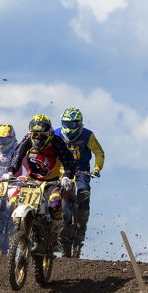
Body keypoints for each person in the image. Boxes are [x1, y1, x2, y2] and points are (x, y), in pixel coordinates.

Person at [6, 114, 78, 246]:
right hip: (31, 181)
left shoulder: (56, 141)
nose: (38, 138)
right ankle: (17, 227)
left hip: (52, 182)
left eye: (42, 135)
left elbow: (69, 161)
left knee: (55, 204)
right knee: (12, 200)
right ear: (30, 133)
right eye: (35, 135)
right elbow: (17, 155)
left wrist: (67, 175)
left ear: (48, 133)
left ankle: (55, 233)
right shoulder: (27, 139)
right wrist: (10, 170)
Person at [54, 108, 105, 255]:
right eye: (66, 124)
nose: (69, 127)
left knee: (84, 195)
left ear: (79, 123)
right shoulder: (56, 134)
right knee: (54, 199)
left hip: (81, 171)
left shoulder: (87, 135)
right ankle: (56, 234)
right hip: (61, 172)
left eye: (72, 124)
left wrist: (97, 168)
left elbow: (99, 152)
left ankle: (81, 228)